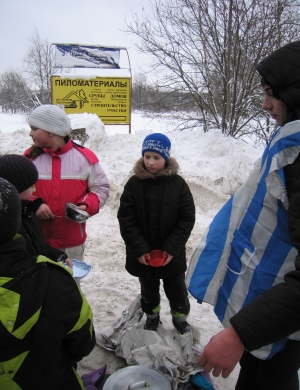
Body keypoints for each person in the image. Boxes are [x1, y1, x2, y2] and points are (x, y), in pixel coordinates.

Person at [186, 40, 300, 389]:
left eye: (271, 94)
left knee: (270, 378)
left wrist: (239, 334)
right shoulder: (291, 141)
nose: (265, 104)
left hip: (281, 317)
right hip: (269, 305)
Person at [0, 177, 96, 389]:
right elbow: (83, 343)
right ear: (16, 221)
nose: (35, 189)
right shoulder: (56, 282)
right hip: (51, 378)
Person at [117, 133, 195, 334]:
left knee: (177, 289)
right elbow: (126, 219)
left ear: (166, 158)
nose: (151, 162)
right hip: (144, 254)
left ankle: (180, 319)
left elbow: (186, 219)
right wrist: (139, 249)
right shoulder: (134, 184)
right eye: (147, 156)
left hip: (171, 254)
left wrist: (172, 248)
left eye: (156, 158)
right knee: (148, 289)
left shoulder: (178, 185)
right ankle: (152, 317)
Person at [24, 104, 110, 261]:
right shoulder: (30, 159)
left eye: (35, 128)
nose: (31, 133)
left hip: (70, 243)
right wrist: (34, 204)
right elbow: (16, 189)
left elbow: (101, 188)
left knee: (69, 284)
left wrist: (85, 206)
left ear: (51, 131)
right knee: (39, 284)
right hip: (35, 239)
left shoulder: (84, 158)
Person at [0, 154, 72, 267]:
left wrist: (56, 255)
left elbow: (38, 245)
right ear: (15, 189)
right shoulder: (9, 226)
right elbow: (17, 265)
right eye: (31, 186)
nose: (35, 189)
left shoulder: (27, 212)